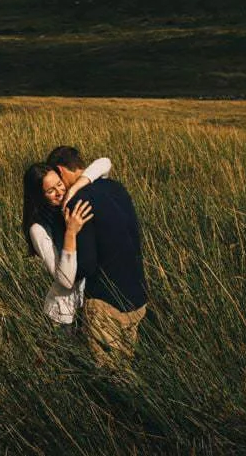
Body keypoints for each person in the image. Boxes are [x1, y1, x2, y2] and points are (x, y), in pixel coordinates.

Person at [48, 145, 148, 371]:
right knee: (127, 365)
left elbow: (86, 265)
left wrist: (68, 236)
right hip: (137, 296)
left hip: (106, 303)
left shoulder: (78, 204)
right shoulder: (116, 187)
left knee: (109, 372)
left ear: (61, 171)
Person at [22, 156, 112, 328]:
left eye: (59, 184)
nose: (59, 192)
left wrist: (76, 187)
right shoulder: (38, 228)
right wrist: (71, 232)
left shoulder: (69, 204)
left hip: (86, 306)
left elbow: (105, 163)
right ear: (39, 197)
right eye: (50, 191)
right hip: (62, 316)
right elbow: (65, 280)